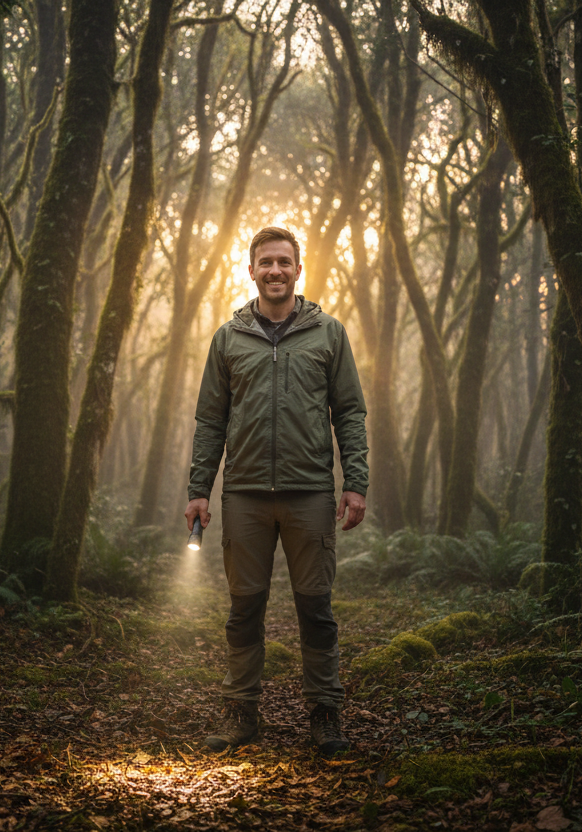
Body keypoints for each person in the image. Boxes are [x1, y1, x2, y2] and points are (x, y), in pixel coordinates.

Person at [185, 226, 368, 756]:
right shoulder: (228, 338)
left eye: (284, 262)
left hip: (309, 492)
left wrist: (355, 483)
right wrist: (200, 489)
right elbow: (209, 420)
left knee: (316, 607)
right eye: (266, 262)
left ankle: (325, 715)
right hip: (242, 494)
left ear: (298, 269)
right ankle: (241, 712)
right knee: (244, 609)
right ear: (251, 271)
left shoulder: (328, 334)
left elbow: (349, 414)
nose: (275, 271)